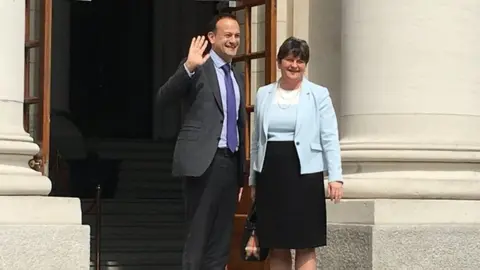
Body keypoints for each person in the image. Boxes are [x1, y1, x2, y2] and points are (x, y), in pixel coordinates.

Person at [156, 14, 246, 270]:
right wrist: (188, 67)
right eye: (227, 35)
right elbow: (163, 99)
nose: (233, 41)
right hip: (203, 163)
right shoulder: (198, 67)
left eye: (237, 36)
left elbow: (239, 124)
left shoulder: (237, 76)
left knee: (221, 242)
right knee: (198, 237)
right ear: (212, 37)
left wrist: (241, 174)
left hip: (230, 164)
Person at [249, 37, 344, 270]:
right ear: (279, 62)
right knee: (277, 244)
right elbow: (256, 140)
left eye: (300, 61)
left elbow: (329, 135)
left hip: (305, 175)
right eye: (290, 60)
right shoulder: (263, 94)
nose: (294, 65)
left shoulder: (318, 94)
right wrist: (253, 179)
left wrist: (335, 177)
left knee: (305, 243)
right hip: (271, 174)